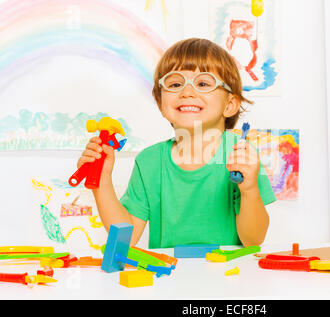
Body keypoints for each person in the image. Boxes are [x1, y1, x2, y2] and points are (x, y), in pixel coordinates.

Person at [76, 38, 276, 248]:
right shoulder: (149, 161)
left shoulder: (240, 154)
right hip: (168, 277)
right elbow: (128, 237)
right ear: (162, 103)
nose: (187, 92)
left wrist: (250, 190)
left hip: (229, 276)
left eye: (203, 83)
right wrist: (101, 182)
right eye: (175, 84)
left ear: (230, 104)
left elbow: (253, 240)